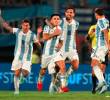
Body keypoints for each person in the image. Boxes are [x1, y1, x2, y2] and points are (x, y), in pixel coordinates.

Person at [0, 16, 40, 94]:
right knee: (16, 73)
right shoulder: (17, 31)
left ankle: (22, 77)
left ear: (29, 26)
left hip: (27, 57)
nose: (26, 27)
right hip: (18, 56)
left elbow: (37, 43)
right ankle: (17, 90)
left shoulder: (32, 35)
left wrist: (39, 46)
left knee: (25, 73)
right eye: (24, 25)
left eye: (27, 25)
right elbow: (6, 26)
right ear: (22, 25)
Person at [37, 14, 67, 92]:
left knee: (63, 66)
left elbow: (61, 41)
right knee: (43, 70)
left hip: (56, 52)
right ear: (51, 21)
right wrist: (54, 33)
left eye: (58, 19)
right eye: (54, 19)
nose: (56, 20)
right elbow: (45, 38)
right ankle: (40, 80)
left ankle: (63, 86)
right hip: (46, 54)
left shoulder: (60, 29)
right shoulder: (47, 27)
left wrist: (60, 46)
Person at [91, 8, 109, 94]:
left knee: (93, 64)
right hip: (103, 46)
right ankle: (104, 85)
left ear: (96, 14)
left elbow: (105, 32)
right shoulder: (106, 20)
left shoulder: (100, 21)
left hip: (100, 46)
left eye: (95, 14)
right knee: (96, 64)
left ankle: (102, 82)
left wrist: (108, 46)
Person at [86, 24, 109, 94]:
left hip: (104, 51)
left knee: (102, 70)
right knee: (94, 72)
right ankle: (94, 86)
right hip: (95, 50)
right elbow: (87, 38)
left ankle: (103, 86)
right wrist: (90, 33)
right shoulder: (93, 28)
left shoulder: (108, 31)